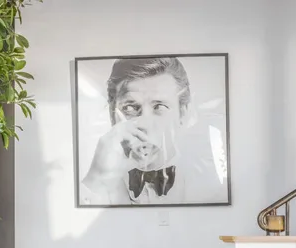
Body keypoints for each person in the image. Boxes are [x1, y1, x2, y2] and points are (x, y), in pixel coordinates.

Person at [80, 57, 222, 205]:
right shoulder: (94, 187)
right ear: (112, 115)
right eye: (130, 108)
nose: (144, 124)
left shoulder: (213, 186)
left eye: (159, 107)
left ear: (183, 114)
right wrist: (95, 180)